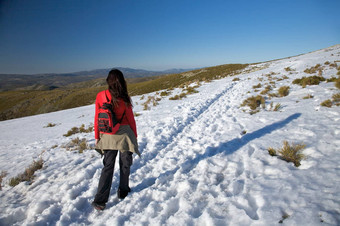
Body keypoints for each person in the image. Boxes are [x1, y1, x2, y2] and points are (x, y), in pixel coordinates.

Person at [92, 69, 140, 211]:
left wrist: (97, 137)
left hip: (107, 134)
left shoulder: (101, 96)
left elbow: (97, 117)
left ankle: (100, 200)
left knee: (108, 166)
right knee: (125, 163)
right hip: (125, 134)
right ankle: (123, 190)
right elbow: (131, 120)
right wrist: (135, 137)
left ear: (109, 81)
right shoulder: (124, 98)